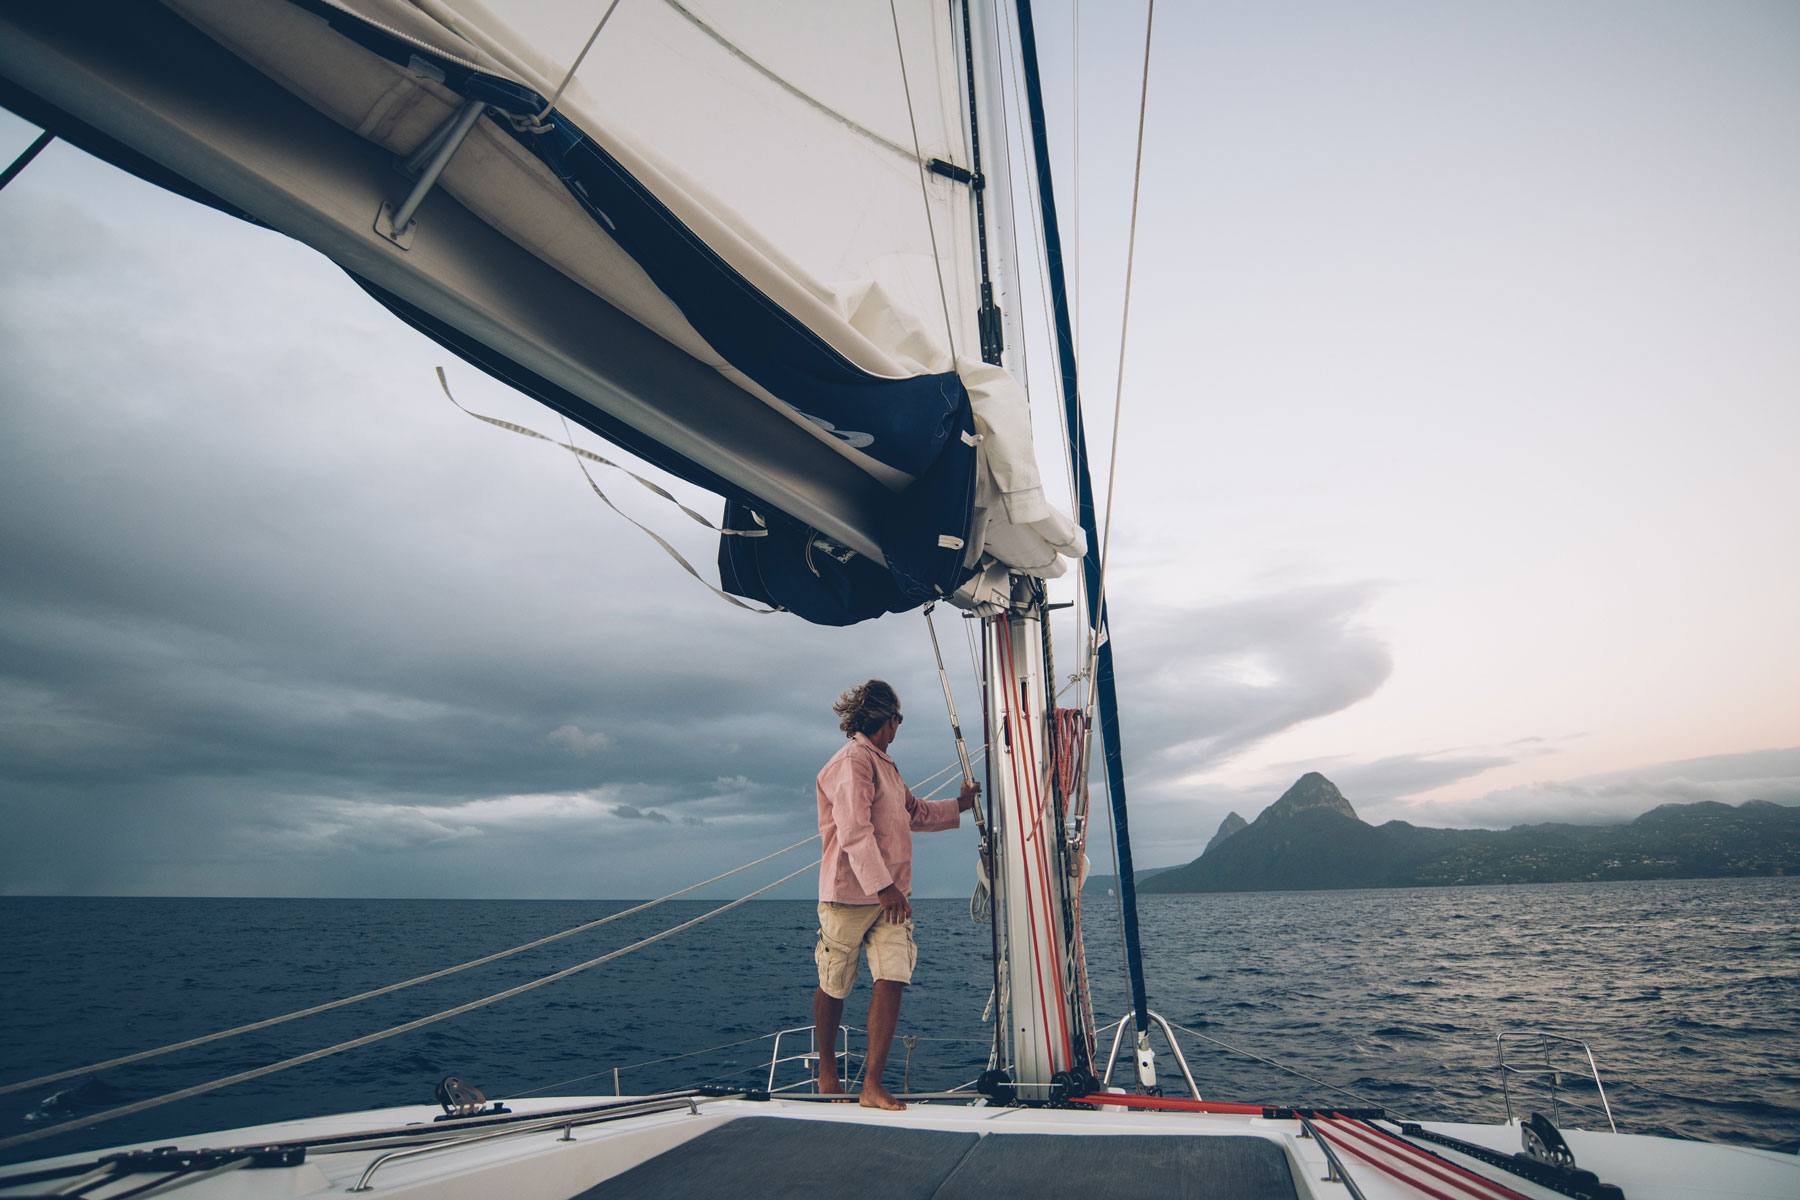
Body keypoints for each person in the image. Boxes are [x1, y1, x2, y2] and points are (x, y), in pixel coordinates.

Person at [812, 679, 978, 1110]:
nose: (898, 728)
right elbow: (853, 830)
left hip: (892, 897)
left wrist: (959, 805)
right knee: (834, 984)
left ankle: (871, 1084)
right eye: (898, 721)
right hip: (852, 895)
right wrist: (883, 887)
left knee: (893, 978)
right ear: (888, 721)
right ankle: (828, 1073)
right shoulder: (852, 761)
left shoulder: (884, 764)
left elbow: (913, 812)